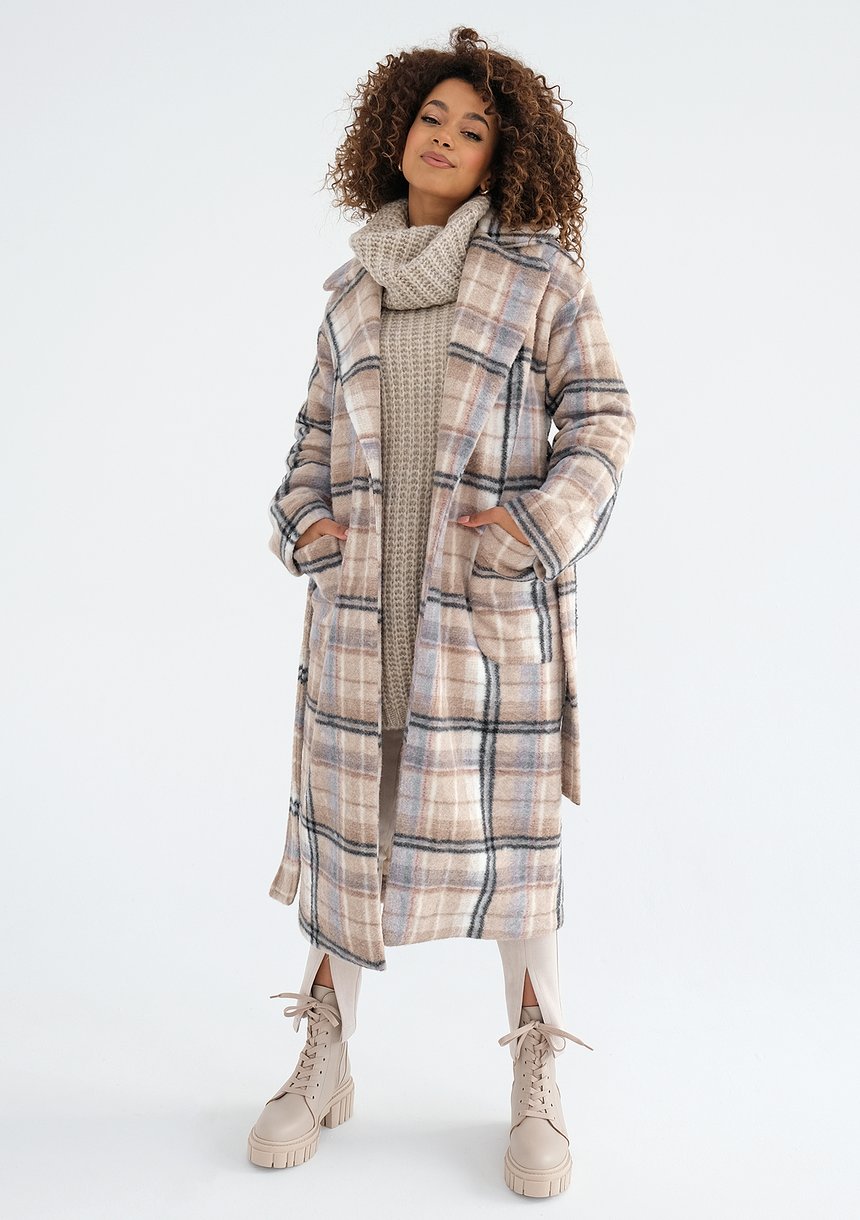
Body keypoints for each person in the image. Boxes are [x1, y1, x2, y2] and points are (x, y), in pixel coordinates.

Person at [248, 26, 636, 1198]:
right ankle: (324, 1055)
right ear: (395, 130)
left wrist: (531, 529)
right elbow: (309, 443)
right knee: (343, 835)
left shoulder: (540, 278)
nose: (445, 138)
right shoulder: (349, 294)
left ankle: (534, 1067)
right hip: (361, 616)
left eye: (473, 129)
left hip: (485, 619)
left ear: (499, 158)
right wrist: (304, 525)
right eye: (431, 117)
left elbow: (602, 419)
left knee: (513, 849)